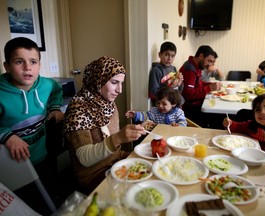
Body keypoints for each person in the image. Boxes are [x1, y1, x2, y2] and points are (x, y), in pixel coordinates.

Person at [64, 56, 146, 194]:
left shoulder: (109, 104)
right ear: (98, 80)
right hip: (92, 175)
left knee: (149, 164)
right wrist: (118, 138)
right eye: (114, 82)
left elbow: (114, 150)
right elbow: (84, 158)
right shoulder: (78, 109)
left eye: (121, 83)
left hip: (115, 161)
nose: (119, 90)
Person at [0, 37, 64, 165]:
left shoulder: (47, 84)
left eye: (33, 62)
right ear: (7, 66)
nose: (27, 67)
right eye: (19, 62)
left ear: (39, 65)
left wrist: (55, 108)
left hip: (42, 154)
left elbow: (56, 90)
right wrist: (7, 137)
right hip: (13, 163)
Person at [223, 94, 265, 164]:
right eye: (258, 110)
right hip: (256, 162)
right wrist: (229, 123)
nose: (262, 112)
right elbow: (236, 127)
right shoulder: (253, 126)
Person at [179, 45, 222, 127]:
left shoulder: (196, 66)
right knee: (219, 117)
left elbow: (198, 84)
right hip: (190, 109)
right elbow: (188, 95)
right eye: (209, 61)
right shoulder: (190, 69)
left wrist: (211, 85)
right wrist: (210, 88)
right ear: (201, 56)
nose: (210, 65)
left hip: (196, 105)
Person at [148, 41, 184, 105]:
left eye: (172, 56)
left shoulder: (174, 69)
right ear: (160, 54)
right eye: (166, 55)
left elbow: (179, 89)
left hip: (175, 103)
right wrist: (170, 87)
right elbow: (153, 93)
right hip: (163, 107)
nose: (169, 58)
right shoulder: (156, 70)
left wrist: (180, 82)